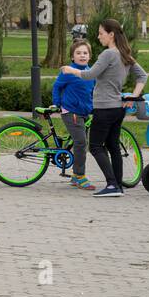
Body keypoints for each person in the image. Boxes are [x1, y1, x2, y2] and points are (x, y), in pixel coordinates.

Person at [60, 19, 148, 198]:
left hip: (104, 108)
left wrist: (71, 70)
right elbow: (142, 76)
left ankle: (112, 184)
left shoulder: (108, 54)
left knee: (95, 146)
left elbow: (89, 74)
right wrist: (132, 96)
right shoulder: (125, 55)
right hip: (117, 109)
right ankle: (117, 186)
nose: (98, 36)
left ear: (111, 35)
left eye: (101, 33)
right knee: (113, 146)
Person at [52, 40, 97, 191]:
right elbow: (57, 87)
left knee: (81, 142)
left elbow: (92, 92)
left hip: (84, 112)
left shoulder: (91, 73)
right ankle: (79, 176)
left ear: (89, 56)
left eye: (85, 53)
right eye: (78, 53)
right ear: (72, 57)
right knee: (81, 143)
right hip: (71, 111)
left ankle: (74, 174)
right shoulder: (69, 71)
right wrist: (57, 103)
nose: (82, 56)